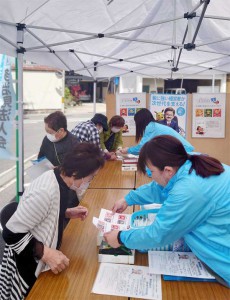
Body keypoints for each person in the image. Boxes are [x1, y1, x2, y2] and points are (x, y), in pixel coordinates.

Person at [104, 135, 230, 288]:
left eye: (151, 171)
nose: (151, 177)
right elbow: (162, 187)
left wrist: (120, 237)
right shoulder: (188, 161)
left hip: (223, 257)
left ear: (168, 170)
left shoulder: (189, 190)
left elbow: (159, 234)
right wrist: (128, 199)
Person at [0, 143, 105, 299]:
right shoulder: (45, 191)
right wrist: (45, 253)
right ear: (76, 172)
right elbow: (11, 233)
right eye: (90, 177)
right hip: (28, 260)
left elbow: (45, 211)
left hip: (40, 253)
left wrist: (65, 213)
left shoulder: (60, 178)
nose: (89, 181)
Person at [119, 108, 194, 155]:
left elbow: (142, 148)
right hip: (182, 149)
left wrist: (128, 150)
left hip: (183, 150)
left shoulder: (151, 128)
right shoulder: (153, 126)